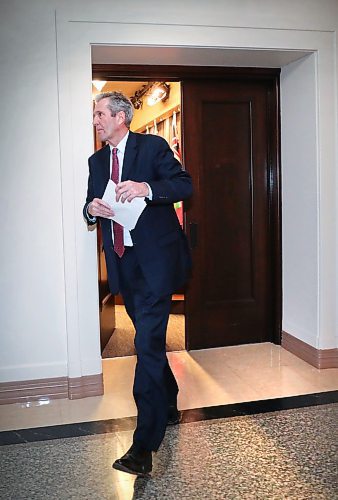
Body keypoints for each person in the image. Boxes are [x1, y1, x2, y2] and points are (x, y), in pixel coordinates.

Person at [83, 91, 192, 476]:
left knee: (145, 344)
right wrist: (90, 209)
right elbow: (90, 203)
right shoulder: (97, 161)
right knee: (150, 341)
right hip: (124, 267)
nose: (95, 121)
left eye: (99, 114)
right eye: (95, 115)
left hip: (157, 266)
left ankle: (143, 447)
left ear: (120, 117)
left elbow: (184, 185)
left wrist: (147, 189)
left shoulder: (153, 148)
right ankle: (171, 402)